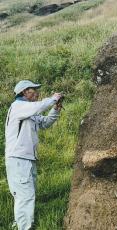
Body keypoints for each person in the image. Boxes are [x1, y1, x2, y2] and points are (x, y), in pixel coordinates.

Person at [5, 80, 63, 230]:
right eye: (34, 90)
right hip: (18, 159)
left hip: (26, 158)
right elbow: (39, 106)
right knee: (25, 195)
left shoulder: (28, 111)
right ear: (24, 92)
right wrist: (53, 99)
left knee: (25, 194)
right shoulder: (18, 106)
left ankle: (20, 223)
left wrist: (55, 109)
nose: (37, 92)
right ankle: (25, 227)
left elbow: (45, 122)